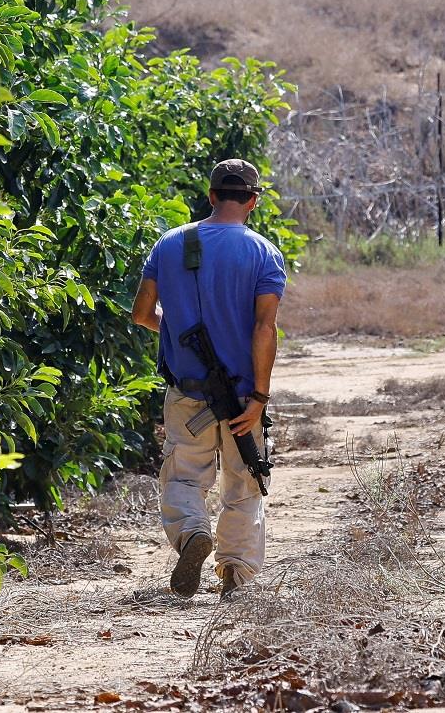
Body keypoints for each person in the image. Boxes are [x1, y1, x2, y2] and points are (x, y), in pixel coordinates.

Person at [130, 158, 285, 598]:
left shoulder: (169, 244)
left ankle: (193, 532)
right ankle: (235, 572)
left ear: (212, 196)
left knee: (183, 478)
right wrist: (259, 395)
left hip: (188, 393)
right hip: (241, 398)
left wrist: (174, 328)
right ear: (252, 202)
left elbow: (142, 313)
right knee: (244, 483)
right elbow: (263, 329)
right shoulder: (264, 253)